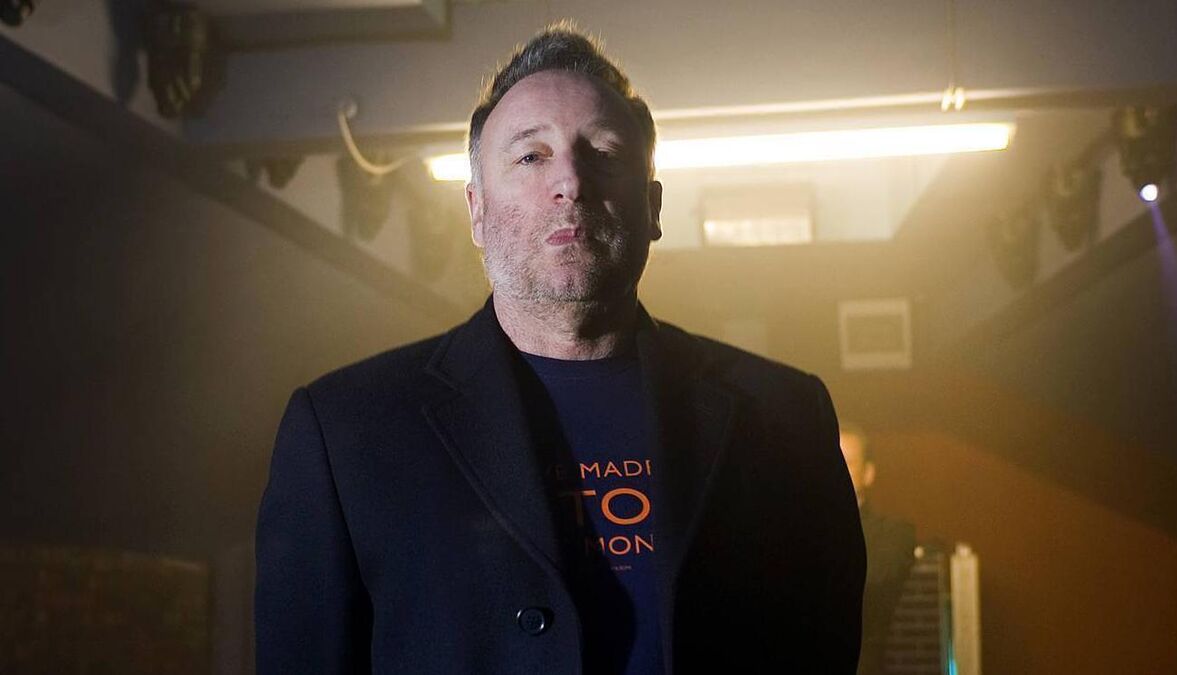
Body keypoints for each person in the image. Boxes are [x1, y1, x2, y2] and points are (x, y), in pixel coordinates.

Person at [255, 23, 864, 675]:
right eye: (531, 156)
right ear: (476, 211)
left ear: (653, 206)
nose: (570, 181)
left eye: (603, 152)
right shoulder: (347, 432)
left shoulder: (784, 416)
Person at [838, 423, 916, 675]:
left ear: (868, 473)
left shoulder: (894, 533)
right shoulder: (795, 528)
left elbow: (874, 578)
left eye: (847, 462)